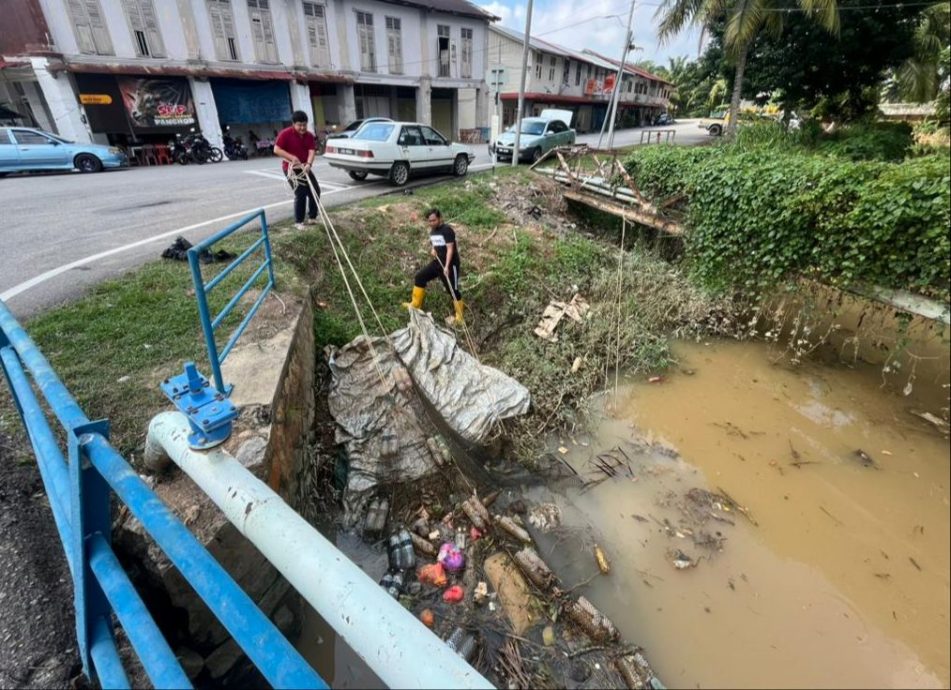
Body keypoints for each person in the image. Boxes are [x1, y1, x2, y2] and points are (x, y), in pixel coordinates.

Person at [404, 208, 464, 325]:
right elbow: (436, 244)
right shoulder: (432, 231)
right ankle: (415, 305)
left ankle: (459, 317)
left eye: (434, 220)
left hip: (450, 265)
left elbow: (450, 249)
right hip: (437, 262)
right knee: (420, 277)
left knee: (453, 290)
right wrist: (433, 250)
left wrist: (446, 267)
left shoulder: (447, 230)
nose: (432, 223)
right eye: (429, 221)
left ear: (439, 218)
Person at [274, 111, 320, 229]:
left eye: (304, 124)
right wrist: (292, 157)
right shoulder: (285, 134)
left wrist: (309, 164)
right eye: (299, 125)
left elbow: (311, 150)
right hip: (291, 168)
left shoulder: (309, 135)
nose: (302, 127)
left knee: (315, 190)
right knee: (301, 193)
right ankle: (299, 221)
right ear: (293, 124)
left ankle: (312, 217)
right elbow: (277, 149)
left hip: (305, 167)